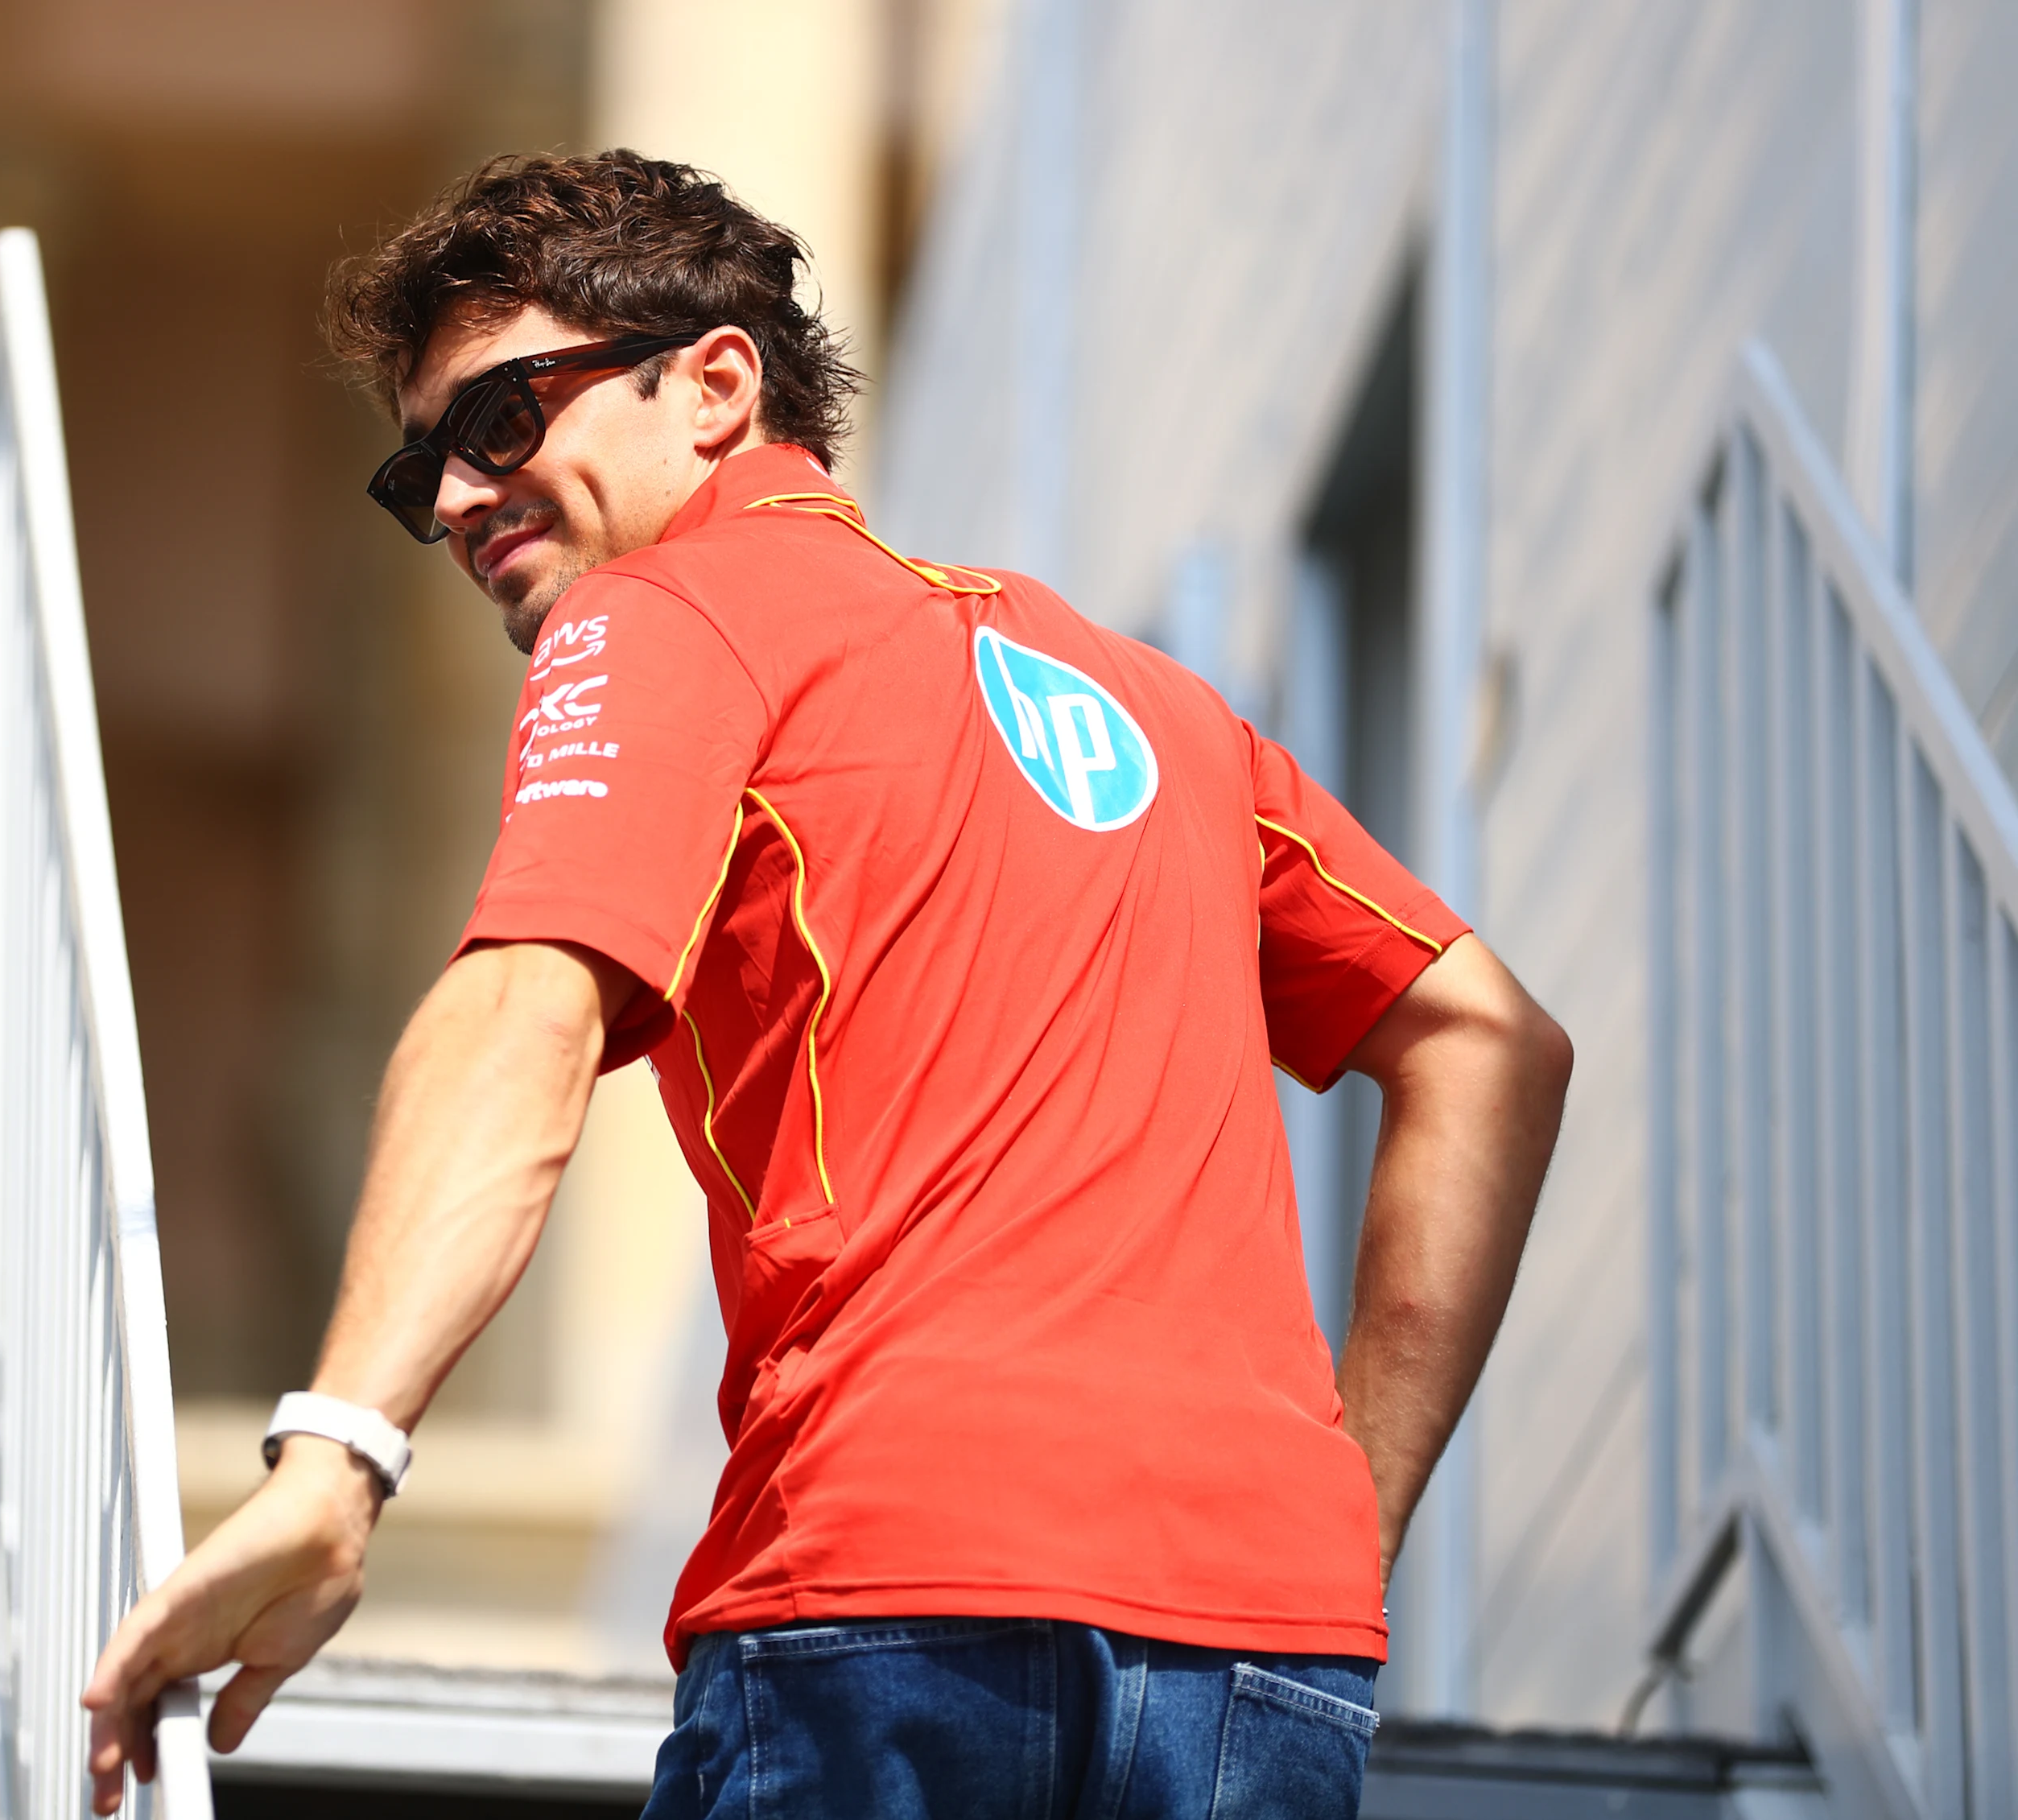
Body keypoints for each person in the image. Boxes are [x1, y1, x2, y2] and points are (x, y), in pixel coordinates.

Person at [82, 151, 1571, 1819]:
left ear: (715, 384)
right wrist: (1335, 1509)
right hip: (1257, 1646)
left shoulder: (662, 612)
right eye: (416, 464)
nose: (450, 496)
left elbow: (526, 1006)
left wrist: (338, 1451)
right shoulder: (1150, 699)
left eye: (501, 420)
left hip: (898, 1597)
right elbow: (1488, 1034)